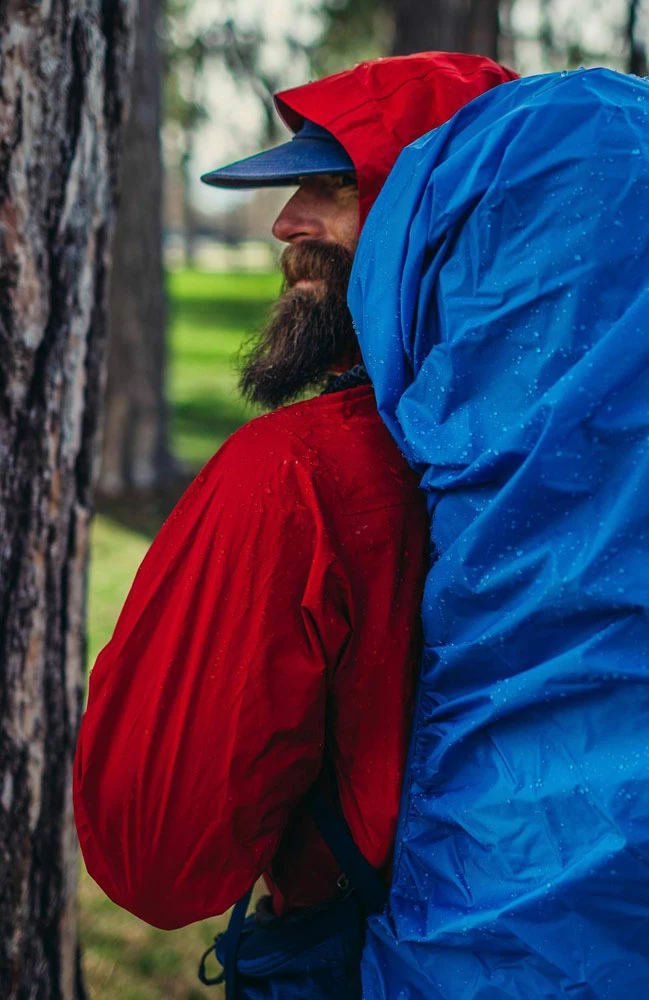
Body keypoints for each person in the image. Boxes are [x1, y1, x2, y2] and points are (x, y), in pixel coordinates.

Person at [73, 52, 518, 931]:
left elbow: (158, 856)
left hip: (380, 965)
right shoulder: (565, 445)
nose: (285, 222)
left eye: (334, 187)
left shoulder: (298, 475)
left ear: (434, 213)